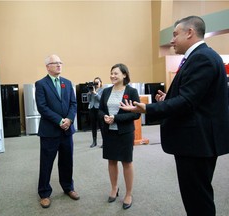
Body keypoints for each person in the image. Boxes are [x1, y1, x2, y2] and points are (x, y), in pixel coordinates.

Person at [119, 16, 229, 216]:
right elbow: (196, 98)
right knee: (197, 195)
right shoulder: (201, 57)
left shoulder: (202, 58)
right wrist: (167, 100)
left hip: (197, 143)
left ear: (190, 33)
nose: (172, 40)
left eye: (175, 34)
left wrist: (148, 109)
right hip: (196, 141)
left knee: (198, 199)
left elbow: (187, 101)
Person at [35, 54, 79, 209]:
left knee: (67, 161)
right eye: (55, 63)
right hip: (50, 131)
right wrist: (60, 121)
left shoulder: (67, 83)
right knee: (46, 163)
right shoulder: (41, 84)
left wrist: (69, 119)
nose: (59, 65)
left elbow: (73, 104)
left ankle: (68, 187)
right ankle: (44, 193)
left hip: (67, 131)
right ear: (47, 66)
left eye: (60, 62)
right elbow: (42, 107)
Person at [99, 63, 141, 210]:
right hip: (109, 132)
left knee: (126, 162)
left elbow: (136, 114)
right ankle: (114, 188)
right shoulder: (106, 92)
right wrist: (105, 116)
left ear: (124, 75)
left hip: (124, 133)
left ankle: (129, 193)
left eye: (116, 73)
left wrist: (115, 118)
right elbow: (100, 110)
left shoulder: (132, 91)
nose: (112, 76)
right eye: (111, 73)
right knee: (111, 161)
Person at [87, 77, 104, 148]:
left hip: (99, 109)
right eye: (95, 83)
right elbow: (89, 100)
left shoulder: (103, 90)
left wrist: (95, 93)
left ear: (100, 83)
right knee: (93, 126)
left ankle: (104, 142)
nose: (96, 84)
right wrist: (89, 94)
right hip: (92, 109)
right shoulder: (91, 90)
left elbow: (101, 100)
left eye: (98, 82)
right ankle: (94, 142)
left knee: (101, 126)